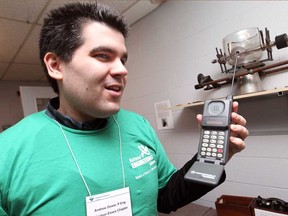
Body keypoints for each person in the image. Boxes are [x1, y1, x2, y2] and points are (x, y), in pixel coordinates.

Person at [0, 2, 249, 215]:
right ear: (56, 65)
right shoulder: (7, 150)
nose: (122, 70)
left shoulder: (137, 125)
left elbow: (167, 196)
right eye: (102, 56)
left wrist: (213, 159)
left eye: (123, 59)